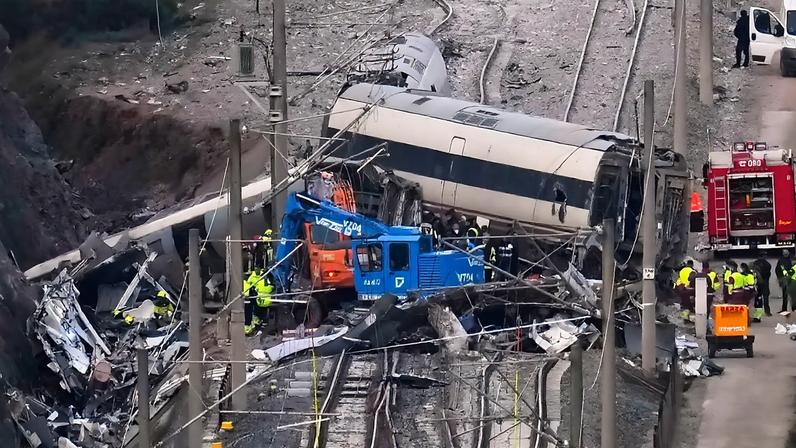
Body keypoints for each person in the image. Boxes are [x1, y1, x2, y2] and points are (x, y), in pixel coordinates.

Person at [243, 269, 274, 336]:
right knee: (254, 310)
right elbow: (272, 287)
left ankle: (252, 326)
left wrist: (247, 294)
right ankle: (255, 324)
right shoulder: (267, 275)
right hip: (260, 297)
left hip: (255, 296)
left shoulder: (250, 276)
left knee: (250, 311)